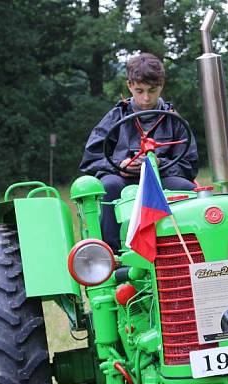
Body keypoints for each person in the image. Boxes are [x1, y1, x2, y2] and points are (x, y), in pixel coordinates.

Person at [79, 53, 198, 252]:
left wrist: (161, 165)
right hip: (122, 179)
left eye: (152, 90)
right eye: (139, 90)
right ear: (129, 86)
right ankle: (111, 254)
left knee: (185, 187)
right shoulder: (116, 117)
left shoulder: (174, 120)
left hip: (163, 178)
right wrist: (119, 165)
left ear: (162, 85)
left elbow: (189, 164)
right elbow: (91, 159)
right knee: (108, 186)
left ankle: (183, 249)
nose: (146, 98)